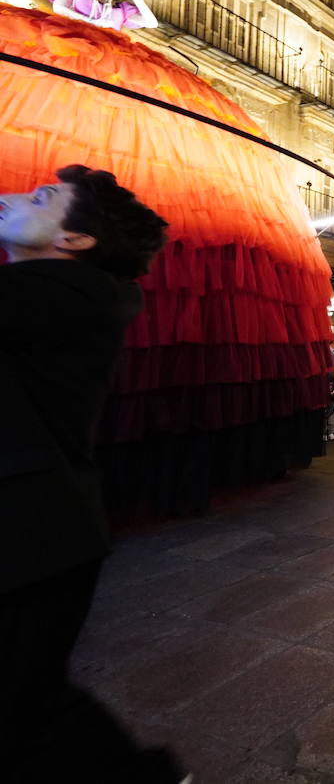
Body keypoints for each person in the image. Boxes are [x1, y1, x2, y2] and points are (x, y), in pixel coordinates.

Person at [0, 166, 184, 782]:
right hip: (45, 525)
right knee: (28, 702)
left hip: (31, 530)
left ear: (76, 240)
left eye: (42, 196)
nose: (11, 195)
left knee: (26, 706)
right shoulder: (59, 292)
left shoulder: (57, 295)